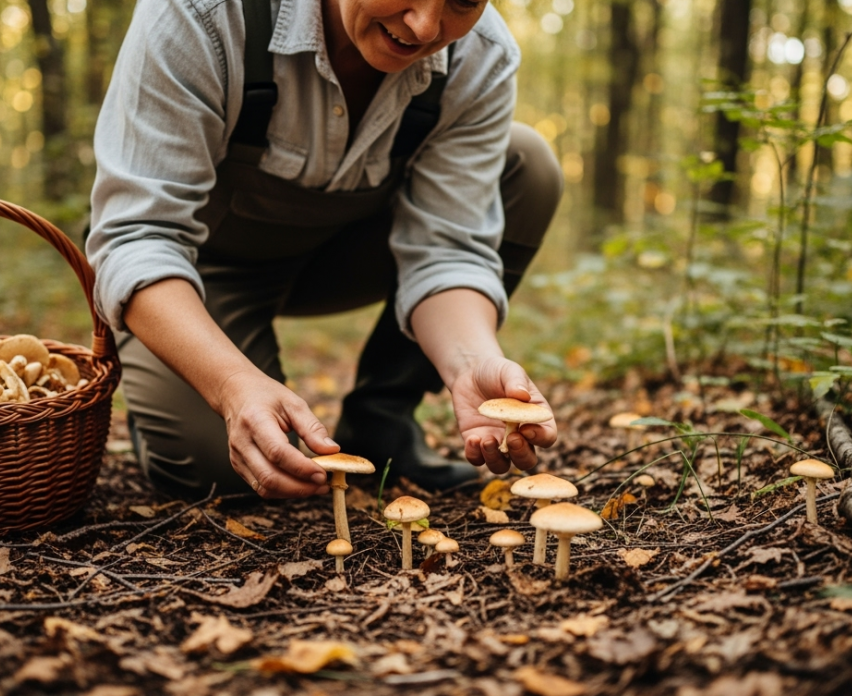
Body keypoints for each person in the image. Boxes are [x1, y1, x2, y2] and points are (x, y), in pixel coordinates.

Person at [87, 0, 563, 499]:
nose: (425, 27)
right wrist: (229, 385)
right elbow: (139, 235)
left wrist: (470, 362)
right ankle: (167, 397)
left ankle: (382, 419)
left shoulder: (480, 54)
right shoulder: (200, 12)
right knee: (231, 472)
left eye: (462, 1)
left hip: (348, 256)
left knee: (527, 165)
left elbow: (447, 250)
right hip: (201, 273)